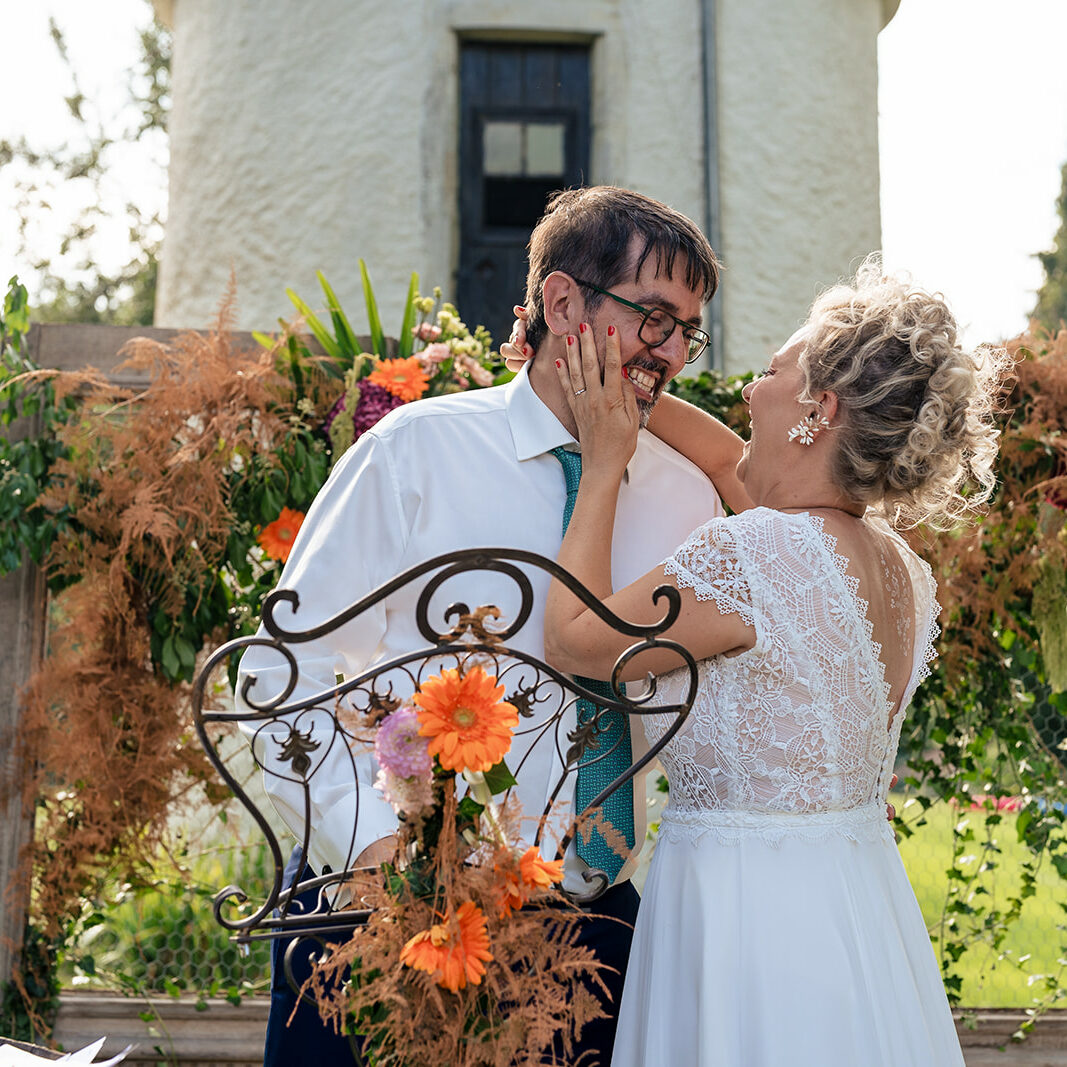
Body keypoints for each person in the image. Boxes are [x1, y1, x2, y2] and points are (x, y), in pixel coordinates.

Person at [237, 185, 749, 1066]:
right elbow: (277, 677)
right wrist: (384, 850)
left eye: (687, 332)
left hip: (591, 932)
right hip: (383, 917)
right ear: (561, 303)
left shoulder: (686, 497)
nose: (669, 354)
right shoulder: (411, 454)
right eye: (653, 319)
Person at [539, 257, 1005, 1066]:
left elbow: (572, 639)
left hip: (743, 917)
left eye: (768, 371)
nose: (749, 390)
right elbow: (730, 463)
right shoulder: (894, 568)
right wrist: (624, 392)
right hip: (854, 909)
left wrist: (605, 462)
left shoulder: (754, 553)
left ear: (817, 408)